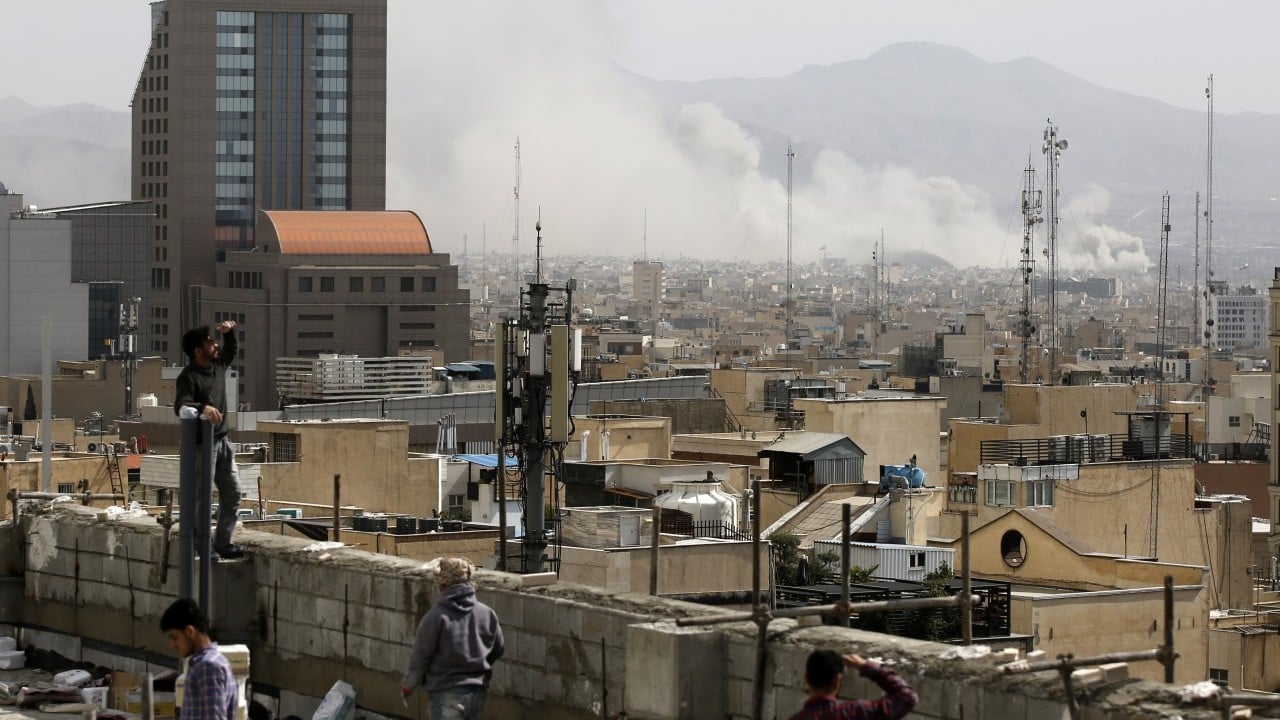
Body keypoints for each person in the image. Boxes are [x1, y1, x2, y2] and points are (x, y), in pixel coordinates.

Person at [401, 558, 504, 720]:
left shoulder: (436, 617)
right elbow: (498, 649)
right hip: (477, 693)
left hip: (446, 694)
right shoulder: (486, 614)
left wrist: (408, 686)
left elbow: (420, 657)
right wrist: (477, 665)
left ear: (442, 585)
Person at [174, 321, 243, 559]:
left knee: (233, 492)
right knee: (202, 498)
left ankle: (223, 542)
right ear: (197, 350)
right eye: (210, 341)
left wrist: (229, 333)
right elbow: (180, 404)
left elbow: (231, 351)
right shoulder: (188, 377)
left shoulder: (217, 366)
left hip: (223, 441)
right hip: (203, 446)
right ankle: (203, 547)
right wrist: (204, 408)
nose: (215, 345)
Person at [160, 599, 237, 720]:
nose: (172, 645)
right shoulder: (210, 662)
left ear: (190, 631)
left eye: (175, 637)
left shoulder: (208, 667)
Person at [788, 650, 918, 720]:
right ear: (837, 681)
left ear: (806, 679)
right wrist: (866, 666)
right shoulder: (857, 713)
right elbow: (907, 697)